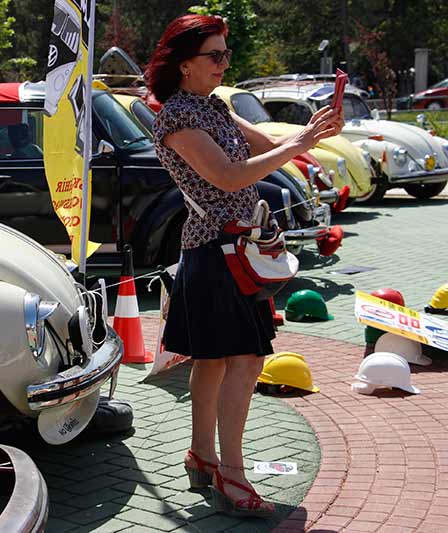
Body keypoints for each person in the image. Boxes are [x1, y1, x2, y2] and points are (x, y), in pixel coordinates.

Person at [145, 14, 343, 518]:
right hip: (216, 250)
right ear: (184, 65)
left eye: (226, 55)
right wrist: (297, 146)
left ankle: (203, 457)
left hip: (236, 248)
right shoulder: (175, 116)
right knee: (242, 360)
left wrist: (313, 132)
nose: (223, 63)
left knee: (215, 360)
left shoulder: (213, 106)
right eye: (215, 55)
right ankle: (229, 471)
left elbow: (269, 147)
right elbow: (230, 177)